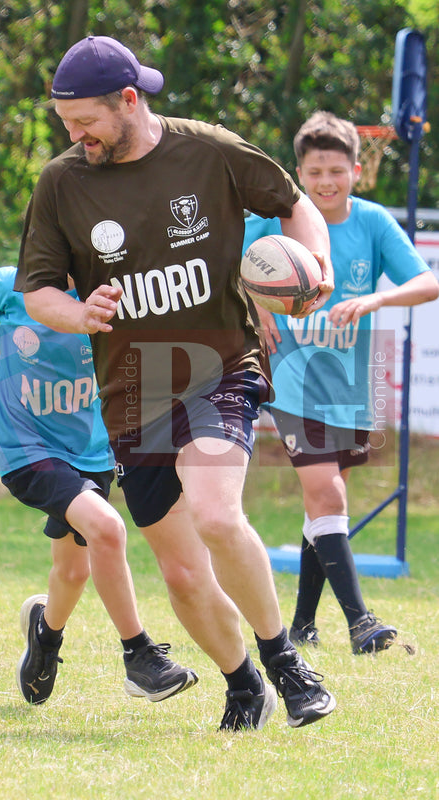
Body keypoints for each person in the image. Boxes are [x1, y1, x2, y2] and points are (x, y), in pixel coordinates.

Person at [14, 35, 337, 731]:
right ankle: (243, 683)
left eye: (85, 122)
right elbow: (37, 290)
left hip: (218, 369)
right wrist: (78, 312)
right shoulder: (61, 182)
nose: (75, 137)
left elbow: (293, 202)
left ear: (129, 101)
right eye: (65, 124)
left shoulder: (209, 150)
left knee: (217, 513)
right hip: (132, 390)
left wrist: (316, 260)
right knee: (183, 575)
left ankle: (285, 662)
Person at [0, 265, 198, 706]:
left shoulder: (116, 293)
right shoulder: (14, 285)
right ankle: (139, 656)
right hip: (25, 449)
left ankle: (45, 636)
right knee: (107, 529)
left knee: (74, 571)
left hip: (92, 451)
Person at [243, 111, 439, 654]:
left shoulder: (372, 223)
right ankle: (361, 623)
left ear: (356, 169)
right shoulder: (272, 221)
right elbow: (220, 265)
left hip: (349, 382)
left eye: (335, 170)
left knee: (324, 503)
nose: (325, 182)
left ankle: (302, 625)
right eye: (314, 172)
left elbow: (428, 284)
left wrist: (376, 297)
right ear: (298, 174)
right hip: (288, 377)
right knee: (325, 490)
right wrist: (252, 308)